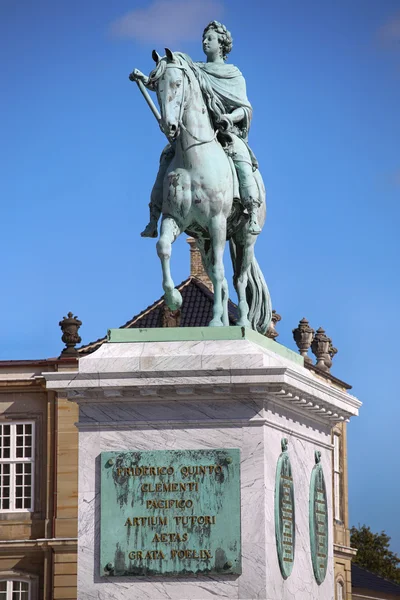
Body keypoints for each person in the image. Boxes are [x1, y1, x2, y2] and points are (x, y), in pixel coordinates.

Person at [133, 21, 261, 238]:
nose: (204, 42)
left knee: (240, 154)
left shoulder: (233, 74)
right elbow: (171, 82)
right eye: (203, 38)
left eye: (209, 38)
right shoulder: (194, 70)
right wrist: (145, 80)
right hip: (196, 132)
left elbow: (245, 108)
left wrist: (230, 118)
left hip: (225, 131)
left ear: (221, 44)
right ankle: (154, 216)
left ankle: (252, 210)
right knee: (166, 156)